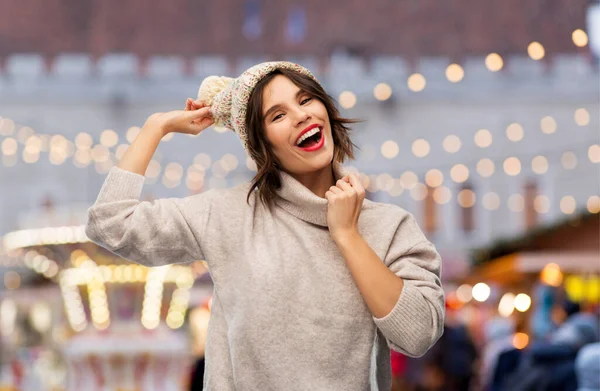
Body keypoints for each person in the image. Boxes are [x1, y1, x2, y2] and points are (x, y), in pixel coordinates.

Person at [85, 61, 445, 390]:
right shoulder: (228, 214)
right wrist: (157, 127)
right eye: (277, 116)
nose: (301, 116)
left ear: (327, 110)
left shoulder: (388, 226)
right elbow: (111, 224)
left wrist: (347, 235)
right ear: (263, 147)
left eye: (306, 100)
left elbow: (417, 335)